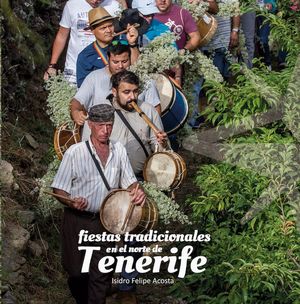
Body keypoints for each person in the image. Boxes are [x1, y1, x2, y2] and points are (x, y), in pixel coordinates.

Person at [51, 103, 146, 304]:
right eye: (101, 125)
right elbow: (58, 189)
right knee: (77, 274)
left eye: (109, 125)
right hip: (77, 222)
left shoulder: (118, 150)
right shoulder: (75, 153)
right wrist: (71, 201)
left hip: (106, 223)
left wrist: (137, 192)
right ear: (91, 125)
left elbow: (131, 182)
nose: (106, 130)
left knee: (101, 277)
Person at [73, 69, 167, 178]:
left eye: (135, 91)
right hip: (107, 178)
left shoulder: (149, 110)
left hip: (141, 178)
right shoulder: (100, 111)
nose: (132, 97)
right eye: (126, 92)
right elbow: (87, 149)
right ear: (114, 91)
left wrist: (162, 143)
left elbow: (159, 151)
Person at [71, 41, 162, 131]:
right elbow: (78, 100)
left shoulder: (145, 80)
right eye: (115, 62)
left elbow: (155, 109)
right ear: (108, 59)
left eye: (124, 61)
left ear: (130, 58)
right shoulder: (94, 77)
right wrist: (76, 112)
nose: (120, 66)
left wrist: (154, 132)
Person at [76, 6, 139, 87]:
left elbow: (138, 67)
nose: (108, 30)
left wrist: (133, 44)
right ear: (92, 30)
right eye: (103, 28)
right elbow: (83, 87)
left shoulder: (125, 41)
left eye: (110, 26)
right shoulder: (85, 56)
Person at [43, 0, 102, 84]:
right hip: (73, 69)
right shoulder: (72, 4)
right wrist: (52, 65)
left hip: (102, 69)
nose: (96, 1)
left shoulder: (114, 6)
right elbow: (62, 35)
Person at [256, 0, 277, 70]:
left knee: (263, 39)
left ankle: (268, 63)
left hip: (265, 13)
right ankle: (262, 62)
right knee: (257, 39)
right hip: (251, 12)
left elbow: (273, 2)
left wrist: (271, 3)